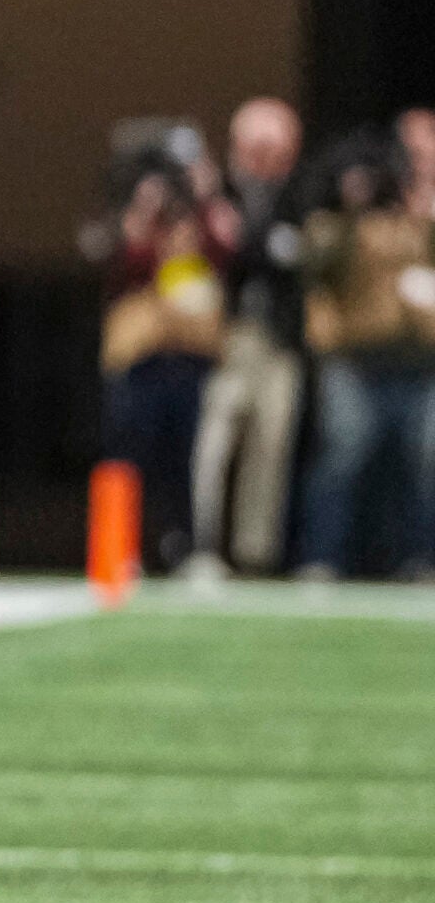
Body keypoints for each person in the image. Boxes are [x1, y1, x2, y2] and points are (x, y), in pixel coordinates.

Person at [295, 130, 435, 578]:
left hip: (417, 361)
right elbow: (316, 265)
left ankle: (420, 560)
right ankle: (322, 557)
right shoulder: (331, 226)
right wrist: (351, 212)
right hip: (354, 362)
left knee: (425, 465)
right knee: (342, 460)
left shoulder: (416, 224)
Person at [98, 126, 236, 572]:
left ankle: (185, 546)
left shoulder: (204, 215)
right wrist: (145, 208)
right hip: (140, 355)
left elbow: (226, 252)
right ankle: (120, 545)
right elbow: (123, 261)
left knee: (188, 457)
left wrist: (206, 197)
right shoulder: (136, 211)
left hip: (190, 353)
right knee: (129, 454)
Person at [184, 98, 306, 580]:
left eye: (277, 147)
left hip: (279, 339)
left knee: (270, 448)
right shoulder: (215, 191)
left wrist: (250, 239)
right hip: (226, 336)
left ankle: (256, 555)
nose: (266, 157)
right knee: (213, 444)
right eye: (257, 146)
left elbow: (288, 254)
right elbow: (220, 255)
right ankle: (203, 546)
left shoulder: (299, 194)